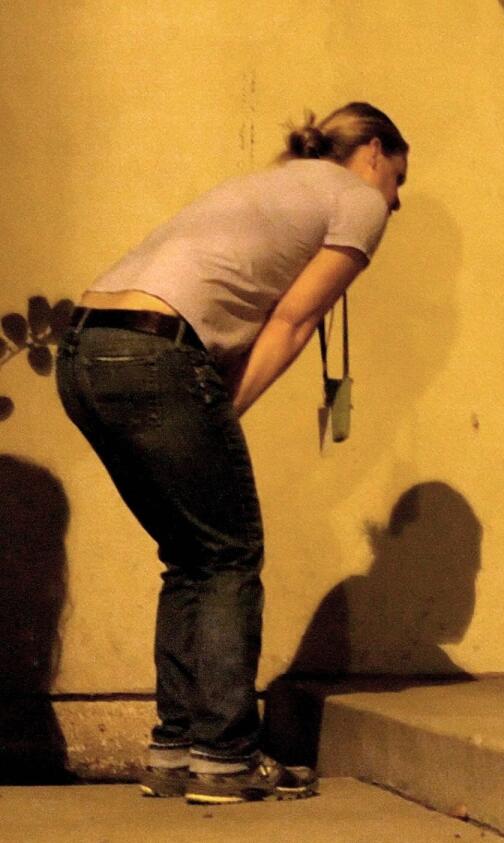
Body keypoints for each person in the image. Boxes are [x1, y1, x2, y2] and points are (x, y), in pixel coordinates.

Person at [54, 102, 408, 803]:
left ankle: (175, 748)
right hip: (157, 352)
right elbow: (294, 319)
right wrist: (219, 410)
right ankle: (224, 755)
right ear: (372, 151)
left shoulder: (273, 185)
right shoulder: (358, 200)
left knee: (191, 552)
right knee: (229, 552)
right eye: (400, 177)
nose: (397, 199)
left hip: (84, 350)